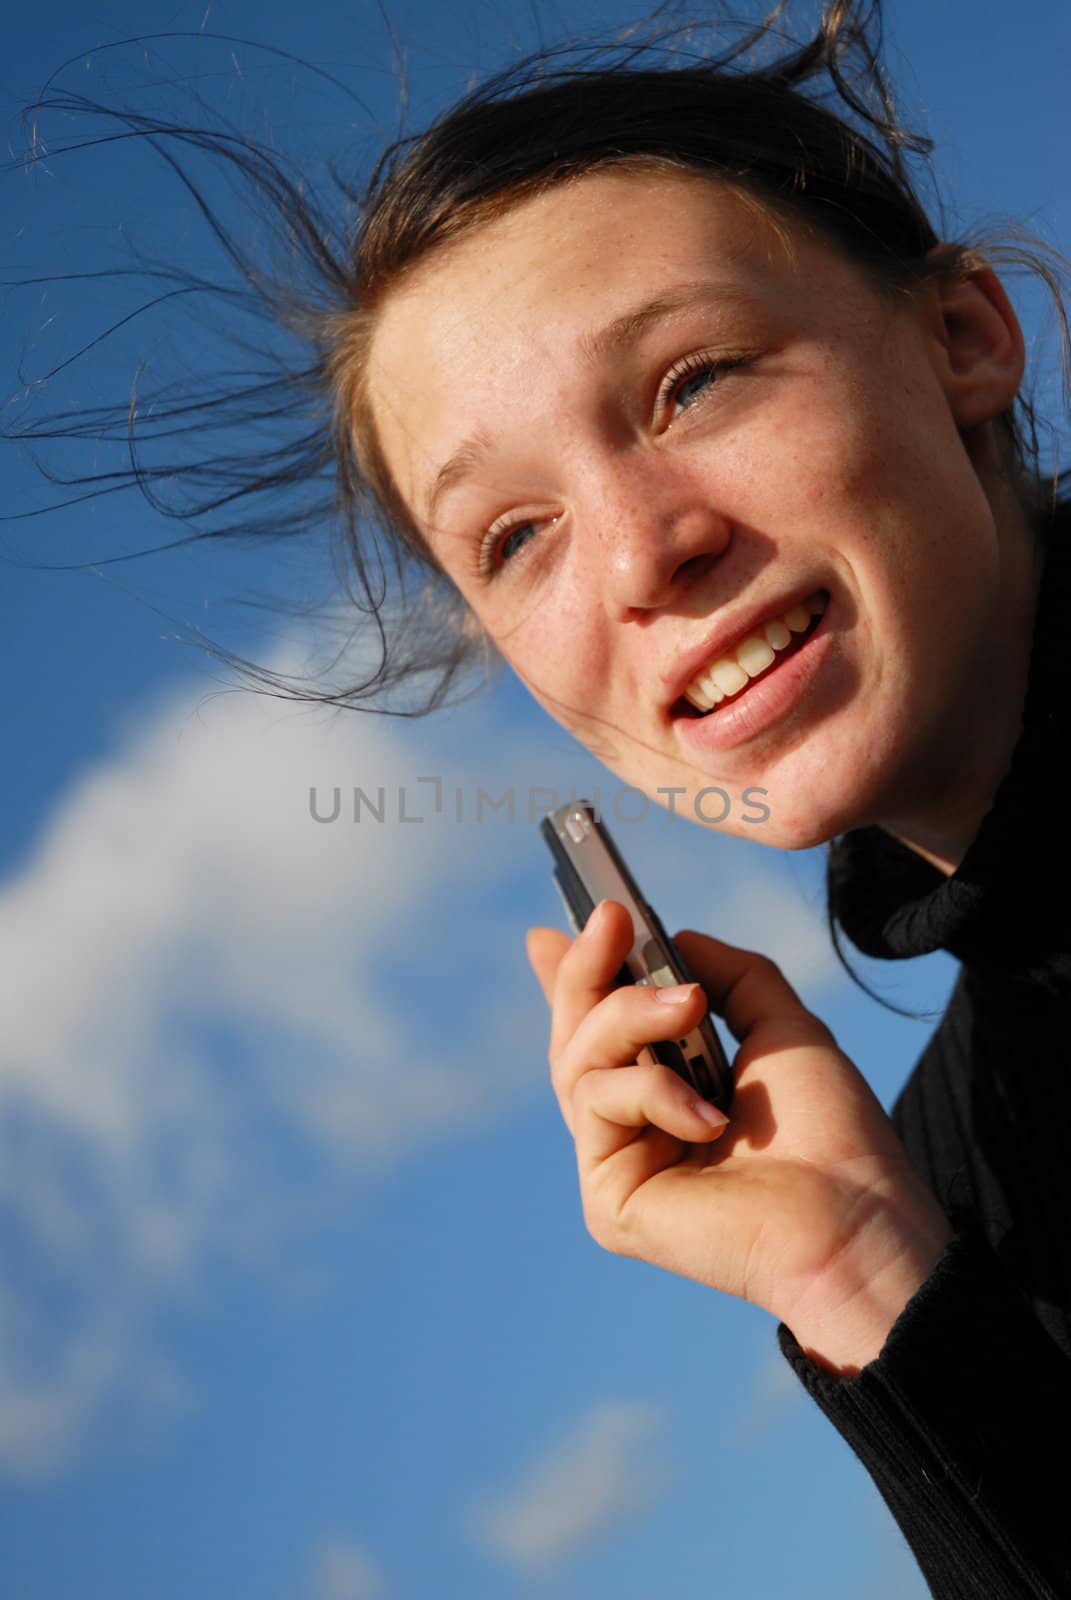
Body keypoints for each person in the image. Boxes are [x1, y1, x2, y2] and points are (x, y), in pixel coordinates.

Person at [14, 2, 1071, 1593]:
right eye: (514, 536)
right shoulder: (942, 1185)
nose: (647, 558)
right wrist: (867, 1272)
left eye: (692, 381)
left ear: (963, 338)